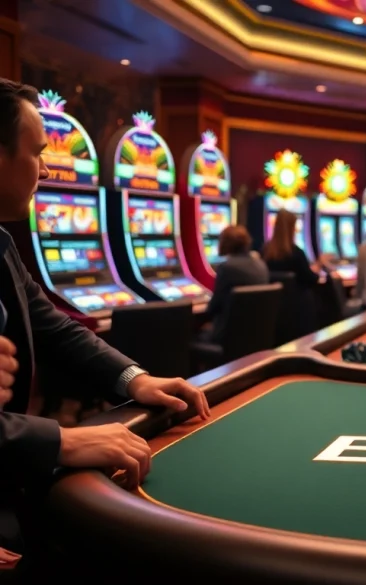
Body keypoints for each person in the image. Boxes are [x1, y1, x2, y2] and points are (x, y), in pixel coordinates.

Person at [0, 78, 210, 574]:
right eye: (35, 152)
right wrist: (61, 439)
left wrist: (135, 378)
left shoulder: (3, 246)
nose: (47, 168)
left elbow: (53, 326)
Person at [204, 225, 269, 344]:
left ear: (224, 243)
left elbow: (212, 308)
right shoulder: (261, 265)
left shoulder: (227, 267)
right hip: (255, 335)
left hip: (227, 337)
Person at [261, 209, 324, 289]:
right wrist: (319, 266)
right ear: (292, 229)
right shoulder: (296, 253)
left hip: (273, 300)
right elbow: (311, 279)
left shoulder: (265, 251)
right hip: (297, 299)